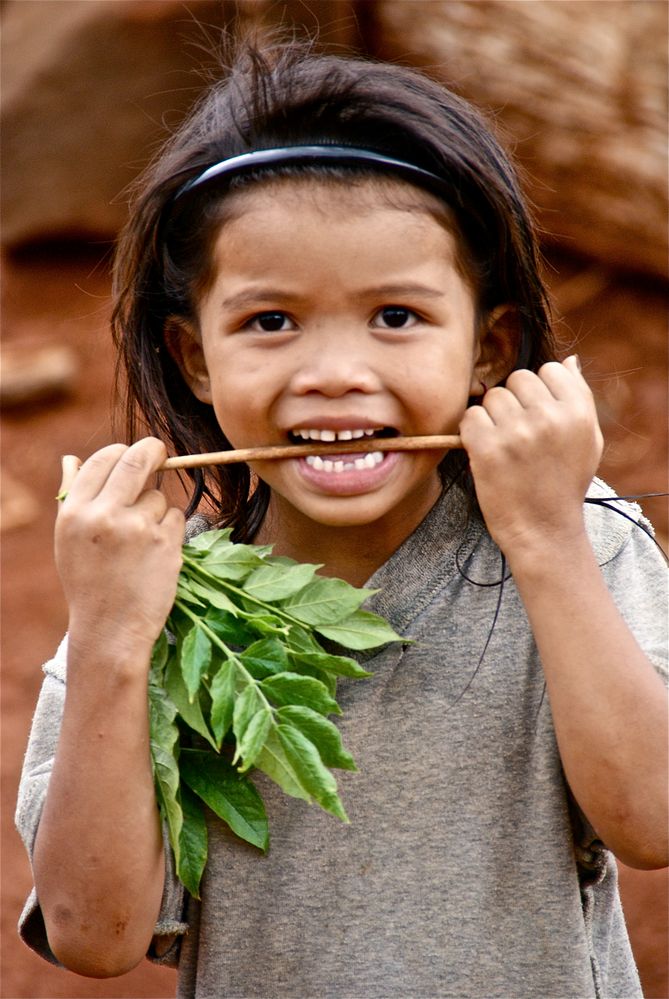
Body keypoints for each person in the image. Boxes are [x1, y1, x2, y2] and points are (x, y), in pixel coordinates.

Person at [16, 42, 667, 999]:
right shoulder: (154, 601)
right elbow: (93, 936)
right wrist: (111, 637)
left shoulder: (576, 538)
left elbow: (651, 821)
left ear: (486, 348)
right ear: (194, 359)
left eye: (395, 316)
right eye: (270, 321)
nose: (333, 371)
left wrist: (547, 541)